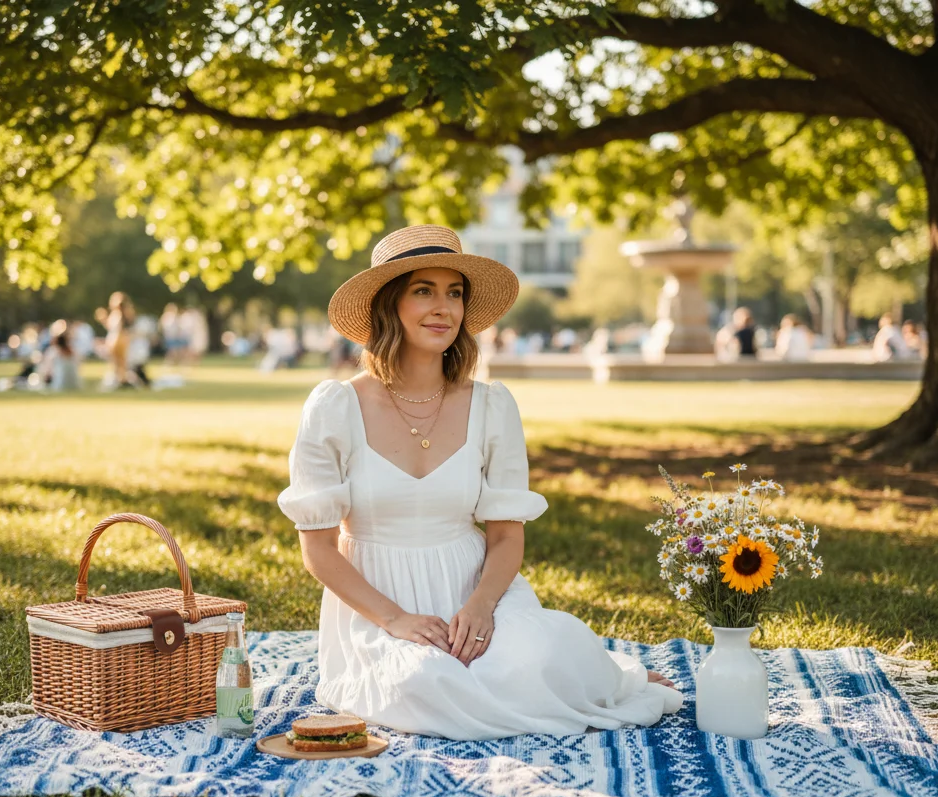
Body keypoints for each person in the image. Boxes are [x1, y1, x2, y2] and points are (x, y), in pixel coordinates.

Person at [277, 225, 682, 741]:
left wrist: (482, 606)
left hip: (474, 588)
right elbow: (317, 548)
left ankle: (605, 676)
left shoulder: (492, 405)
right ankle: (573, 677)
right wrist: (396, 619)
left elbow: (507, 534)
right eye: (423, 290)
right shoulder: (335, 407)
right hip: (375, 604)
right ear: (388, 305)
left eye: (454, 293)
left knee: (531, 657)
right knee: (426, 682)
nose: (442, 307)